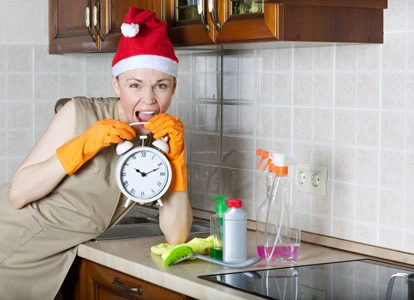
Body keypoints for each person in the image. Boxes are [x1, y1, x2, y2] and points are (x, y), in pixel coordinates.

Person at [0, 7, 192, 299]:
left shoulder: (165, 139)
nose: (150, 99)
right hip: (11, 240)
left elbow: (176, 236)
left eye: (161, 86)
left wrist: (177, 159)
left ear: (174, 87)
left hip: (52, 259)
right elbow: (18, 194)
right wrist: (82, 145)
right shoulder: (78, 113)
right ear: (116, 84)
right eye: (135, 85)